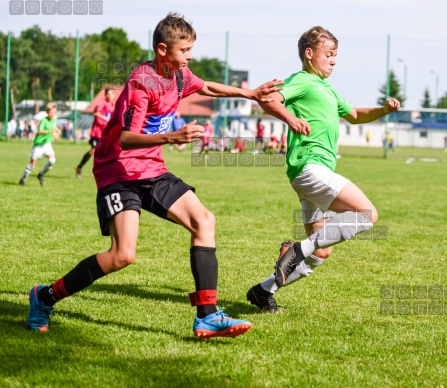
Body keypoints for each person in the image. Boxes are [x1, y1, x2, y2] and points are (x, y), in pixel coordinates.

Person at [26, 12, 282, 338]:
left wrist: (249, 94)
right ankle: (44, 297)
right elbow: (126, 138)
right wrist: (171, 138)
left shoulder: (178, 74)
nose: (190, 56)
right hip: (117, 171)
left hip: (151, 170)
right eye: (184, 50)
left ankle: (207, 316)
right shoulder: (140, 83)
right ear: (163, 50)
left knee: (204, 221)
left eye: (191, 50)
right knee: (122, 255)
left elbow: (206, 87)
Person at [245, 26, 400, 313]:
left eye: (335, 55)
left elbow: (353, 115)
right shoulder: (302, 81)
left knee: (323, 249)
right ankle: (296, 250)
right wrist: (291, 119)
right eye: (328, 54)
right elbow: (268, 99)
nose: (334, 60)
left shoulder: (327, 88)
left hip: (310, 176)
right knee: (367, 214)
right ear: (309, 53)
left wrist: (382, 111)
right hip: (310, 167)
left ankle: (263, 291)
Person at [75, 86, 115, 179]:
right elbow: (96, 113)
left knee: (108, 152)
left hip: (105, 133)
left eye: (111, 94)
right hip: (97, 132)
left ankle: (106, 172)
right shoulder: (101, 103)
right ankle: (79, 167)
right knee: (94, 150)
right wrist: (106, 118)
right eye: (108, 94)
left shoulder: (112, 105)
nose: (109, 96)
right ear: (105, 95)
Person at [19, 103, 59, 186]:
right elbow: (39, 131)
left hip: (47, 144)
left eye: (53, 113)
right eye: (50, 113)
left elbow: (54, 131)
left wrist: (54, 136)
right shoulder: (44, 120)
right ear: (47, 112)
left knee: (52, 160)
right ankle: (23, 178)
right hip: (39, 144)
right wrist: (51, 131)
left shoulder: (55, 120)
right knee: (32, 164)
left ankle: (41, 174)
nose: (51, 114)